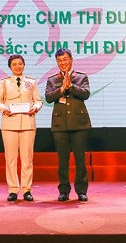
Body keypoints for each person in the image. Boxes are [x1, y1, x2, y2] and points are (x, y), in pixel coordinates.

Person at [0, 54, 43, 202]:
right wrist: (4, 109)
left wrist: (35, 107)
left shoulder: (31, 82)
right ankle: (13, 189)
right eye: (14, 64)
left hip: (27, 124)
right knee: (11, 159)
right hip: (9, 124)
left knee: (27, 159)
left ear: (24, 65)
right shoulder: (4, 83)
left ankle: (27, 189)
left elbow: (38, 101)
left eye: (20, 64)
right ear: (10, 67)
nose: (17, 67)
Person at [44, 48, 91, 202]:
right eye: (59, 60)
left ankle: (81, 191)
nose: (62, 63)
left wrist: (71, 86)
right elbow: (48, 98)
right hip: (60, 124)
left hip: (79, 123)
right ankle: (64, 190)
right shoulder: (52, 80)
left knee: (80, 160)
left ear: (71, 60)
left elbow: (86, 94)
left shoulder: (81, 77)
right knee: (62, 161)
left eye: (65, 59)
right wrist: (62, 88)